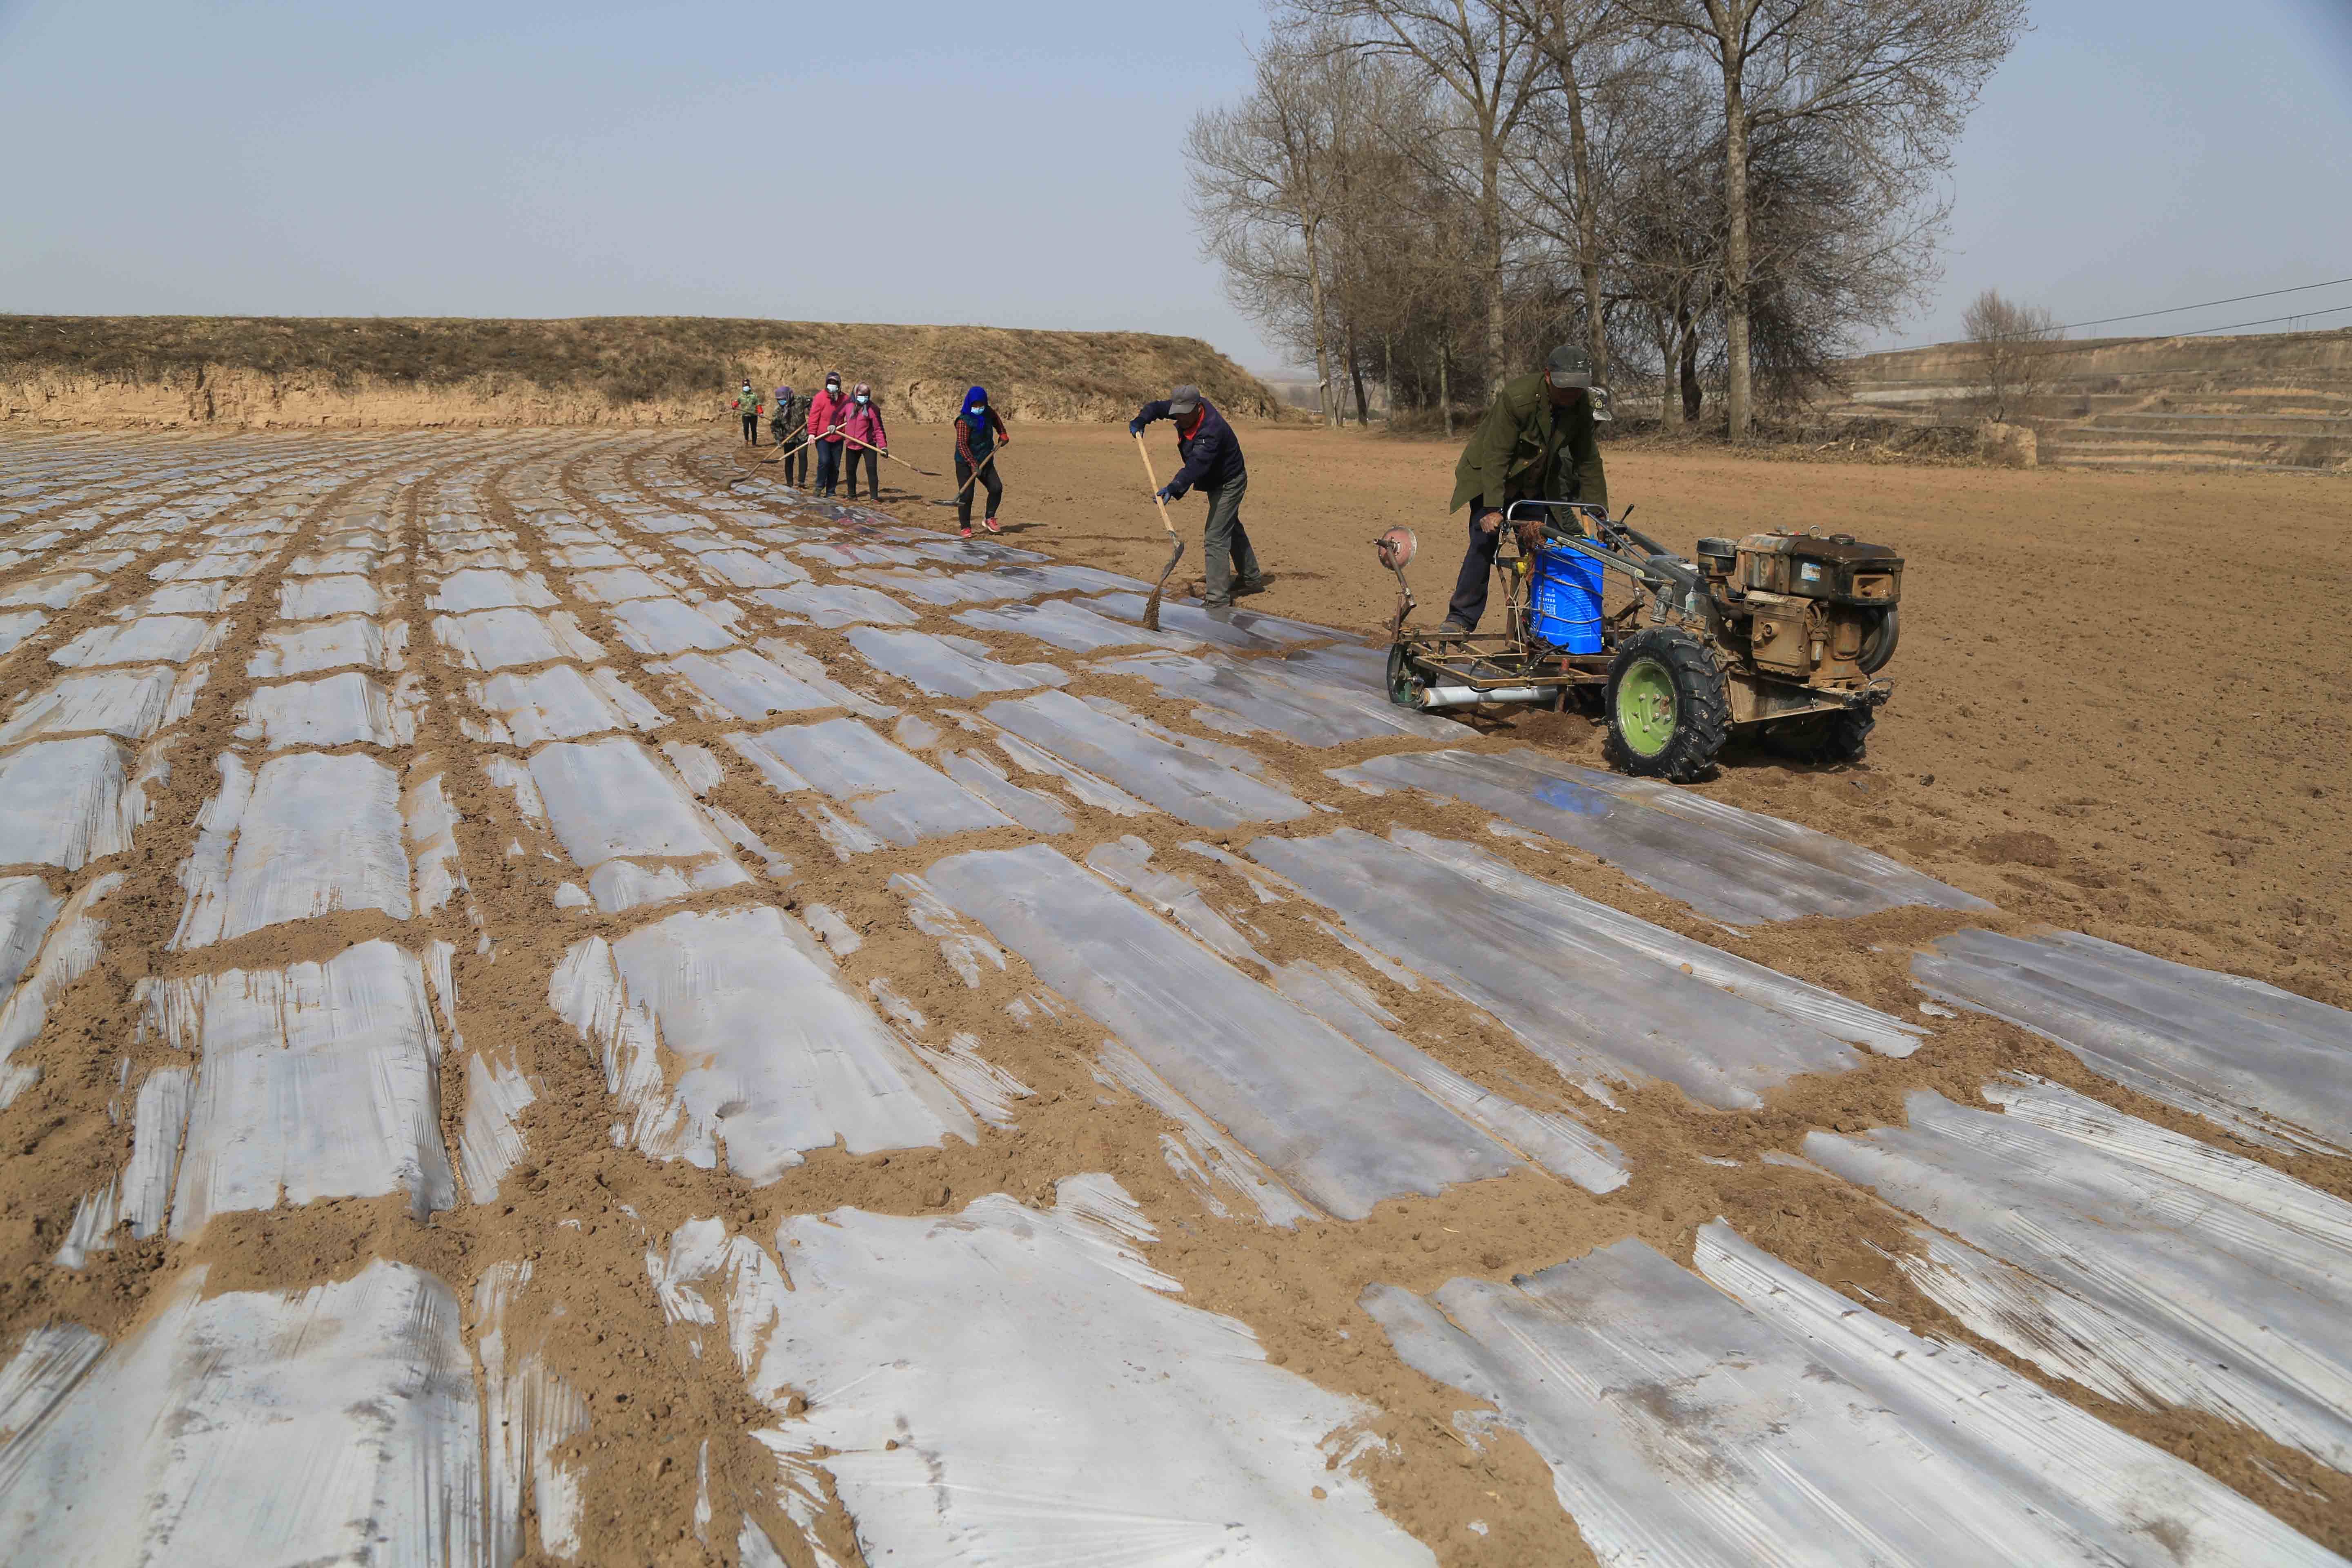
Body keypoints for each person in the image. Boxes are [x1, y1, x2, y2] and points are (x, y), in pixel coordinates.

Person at [1439, 344, 1609, 635]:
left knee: (1539, 549)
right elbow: (1496, 454)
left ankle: (1538, 621)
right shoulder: (1518, 398)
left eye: (1577, 389)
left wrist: (1599, 515)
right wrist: (1493, 509)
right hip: (1490, 475)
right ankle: (1461, 618)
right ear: (1548, 377)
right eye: (1564, 388)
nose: (1570, 396)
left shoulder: (1580, 406)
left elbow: (1588, 462)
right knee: (1485, 542)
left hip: (1534, 482)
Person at [1130, 383, 1263, 618]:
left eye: (1184, 414)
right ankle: (1251, 578)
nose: (1179, 418)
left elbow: (1196, 466)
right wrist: (1142, 419)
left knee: (1216, 536)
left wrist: (1174, 487)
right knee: (1229, 526)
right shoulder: (1182, 411)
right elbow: (1155, 408)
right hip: (1216, 480)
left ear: (1198, 407)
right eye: (1176, 413)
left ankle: (1217, 600)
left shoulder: (1212, 430)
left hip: (1230, 481)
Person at [952, 384, 1009, 539]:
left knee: (996, 488)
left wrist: (1002, 433)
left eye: (981, 405)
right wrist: (972, 464)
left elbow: (997, 420)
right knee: (967, 495)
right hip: (965, 462)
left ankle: (989, 518)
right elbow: (962, 445)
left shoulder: (988, 413)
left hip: (985, 459)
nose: (978, 408)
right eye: (975, 405)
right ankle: (965, 527)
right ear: (970, 403)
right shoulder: (964, 421)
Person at [838, 382, 888, 501]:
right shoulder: (848, 405)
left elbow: (879, 429)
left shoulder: (873, 409)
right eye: (861, 395)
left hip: (868, 444)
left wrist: (883, 447)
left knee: (871, 470)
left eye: (866, 395)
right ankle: (852, 495)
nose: (863, 397)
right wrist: (832, 425)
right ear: (856, 394)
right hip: (851, 444)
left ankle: (874, 497)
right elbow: (837, 416)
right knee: (850, 470)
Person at [809, 372, 849, 496]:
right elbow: (814, 417)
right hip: (823, 437)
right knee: (824, 461)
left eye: (835, 383)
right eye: (830, 383)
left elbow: (851, 416)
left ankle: (831, 491)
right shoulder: (820, 397)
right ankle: (819, 486)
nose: (833, 385)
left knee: (835, 465)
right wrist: (811, 433)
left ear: (839, 385)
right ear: (826, 384)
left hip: (838, 437)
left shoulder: (845, 399)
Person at [770, 385, 809, 485]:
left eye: (783, 399)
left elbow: (814, 403)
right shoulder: (778, 411)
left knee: (803, 456)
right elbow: (775, 427)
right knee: (789, 459)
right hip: (788, 438)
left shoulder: (800, 401)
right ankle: (790, 483)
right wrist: (779, 440)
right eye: (779, 400)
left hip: (802, 435)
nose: (781, 402)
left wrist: (812, 413)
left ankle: (801, 482)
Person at [734, 379, 762, 445]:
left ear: (749, 387)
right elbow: (737, 402)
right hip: (745, 416)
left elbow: (758, 404)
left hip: (754, 415)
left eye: (747, 386)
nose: (745, 387)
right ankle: (746, 439)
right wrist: (734, 405)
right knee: (746, 428)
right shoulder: (741, 396)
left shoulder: (754, 396)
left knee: (754, 430)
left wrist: (761, 413)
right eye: (744, 386)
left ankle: (754, 444)